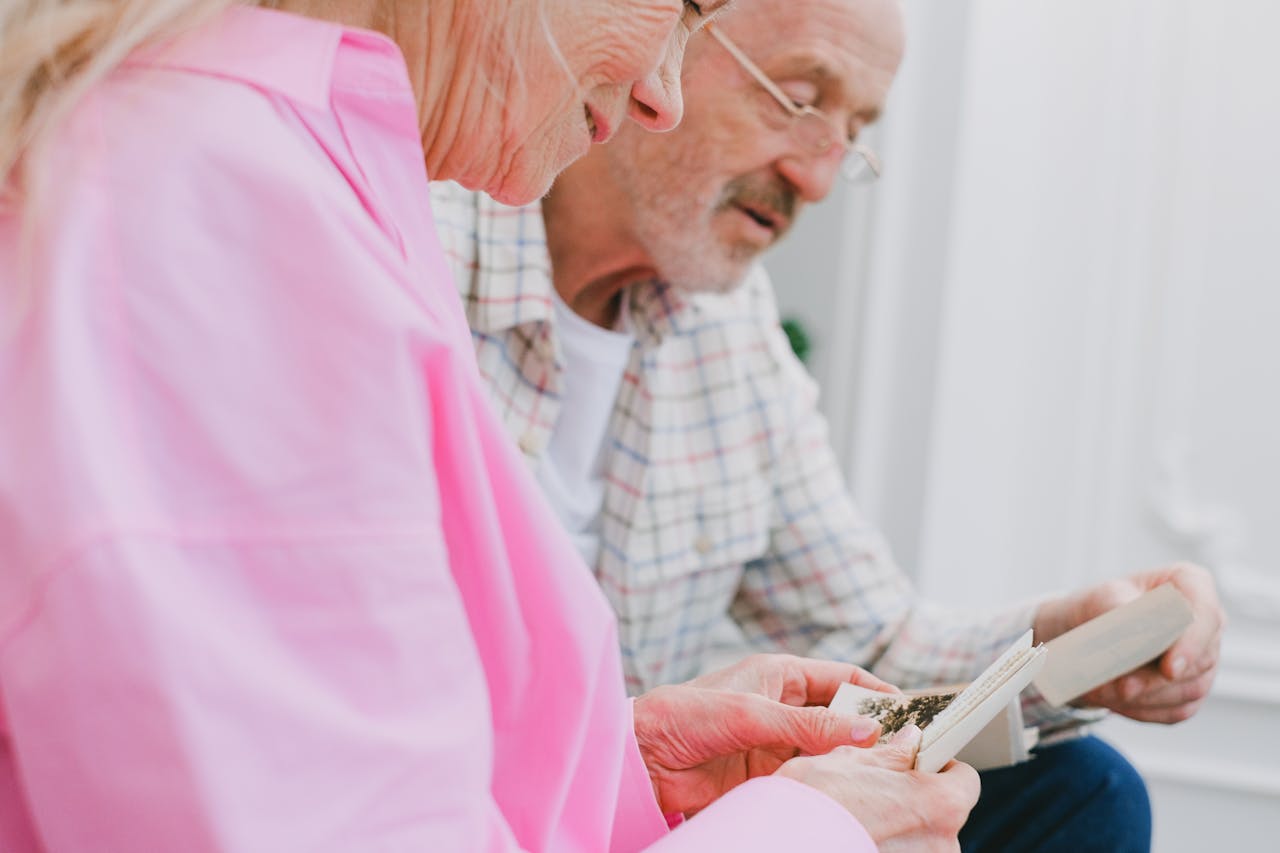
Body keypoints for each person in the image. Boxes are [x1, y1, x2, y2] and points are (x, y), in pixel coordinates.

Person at [0, 0, 984, 849]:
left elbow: (356, 742)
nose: (660, 95)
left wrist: (613, 767)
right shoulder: (222, 208)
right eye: (682, 10)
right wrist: (819, 830)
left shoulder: (315, 165)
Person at [431, 0, 1227, 849]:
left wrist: (1064, 640)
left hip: (647, 806)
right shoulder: (419, 238)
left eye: (851, 133)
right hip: (457, 804)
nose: (816, 179)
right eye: (800, 98)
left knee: (1081, 790)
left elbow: (873, 641)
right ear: (663, 35)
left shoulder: (729, 330)